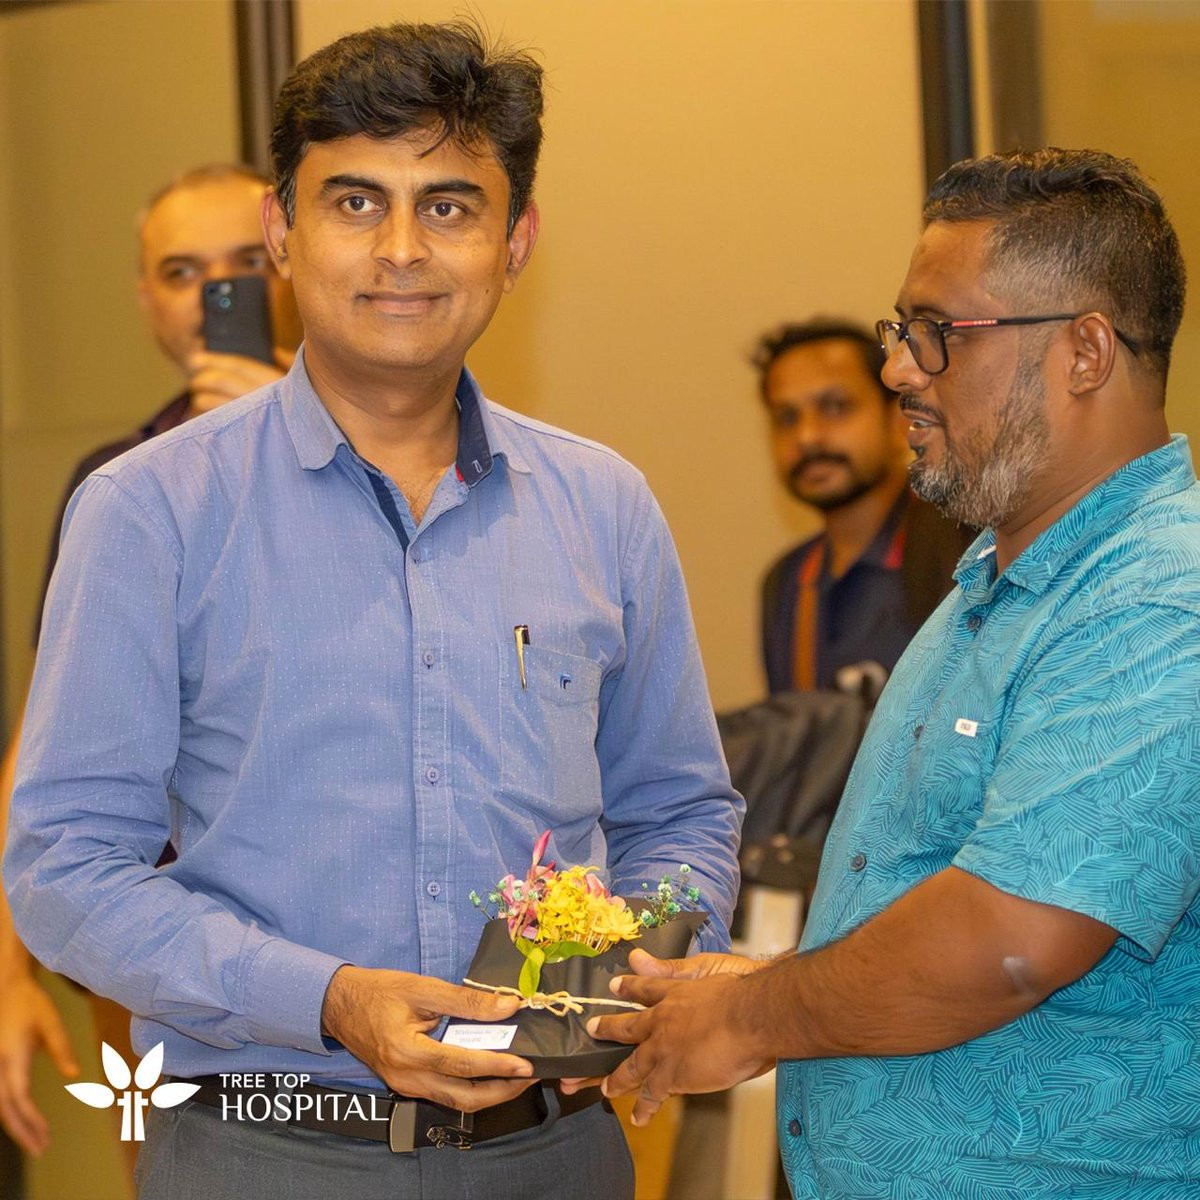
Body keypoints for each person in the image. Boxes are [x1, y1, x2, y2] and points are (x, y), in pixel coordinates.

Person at [3, 21, 742, 1200]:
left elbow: (681, 813)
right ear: (282, 231)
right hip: (260, 1150)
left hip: (558, 1153)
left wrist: (625, 969)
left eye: (449, 207)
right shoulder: (149, 511)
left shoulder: (605, 506)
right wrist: (329, 999)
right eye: (355, 203)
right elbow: (64, 867)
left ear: (517, 241)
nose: (402, 250)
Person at [578, 148, 1199, 1198]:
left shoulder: (1156, 599)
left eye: (938, 333)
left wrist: (752, 1015)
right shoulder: (993, 587)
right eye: (900, 332)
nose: (899, 371)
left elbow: (1013, 938)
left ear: (1085, 352)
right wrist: (775, 978)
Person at [0, 162, 298, 1168]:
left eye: (249, 261)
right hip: (155, 955)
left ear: (297, 261)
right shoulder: (117, 488)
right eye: (183, 271)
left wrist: (289, 430)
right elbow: (49, 746)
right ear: (146, 302)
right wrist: (8, 974)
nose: (217, 292)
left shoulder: (412, 443)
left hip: (350, 955)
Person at [754, 319, 967, 696]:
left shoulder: (964, 547)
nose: (807, 437)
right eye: (786, 417)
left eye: (835, 407)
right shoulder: (786, 583)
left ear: (900, 419)